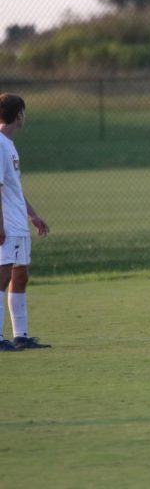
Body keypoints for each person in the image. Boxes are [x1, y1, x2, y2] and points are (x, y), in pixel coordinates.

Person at [0, 94, 51, 351]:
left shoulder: (8, 143)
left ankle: (20, 336)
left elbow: (13, 187)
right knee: (2, 276)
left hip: (19, 222)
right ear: (18, 114)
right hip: (7, 224)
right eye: (24, 112)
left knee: (21, 276)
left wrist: (32, 215)